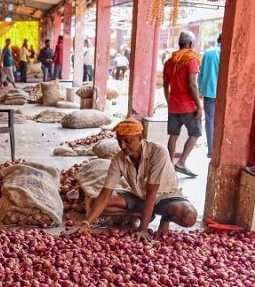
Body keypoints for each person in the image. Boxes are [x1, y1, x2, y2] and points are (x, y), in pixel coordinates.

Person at [67, 118, 197, 240]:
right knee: (96, 202)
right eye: (119, 141)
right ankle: (142, 215)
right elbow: (105, 194)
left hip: (166, 198)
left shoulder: (158, 152)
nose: (123, 146)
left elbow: (152, 193)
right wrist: (86, 223)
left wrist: (143, 229)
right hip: (139, 197)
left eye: (128, 141)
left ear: (140, 138)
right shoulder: (118, 159)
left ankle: (165, 218)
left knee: (189, 217)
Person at [163, 30, 202, 178]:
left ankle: (169, 166)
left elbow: (165, 86)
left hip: (174, 105)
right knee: (195, 133)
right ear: (191, 44)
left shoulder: (169, 61)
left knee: (173, 136)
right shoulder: (191, 60)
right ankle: (181, 163)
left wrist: (169, 101)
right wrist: (199, 105)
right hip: (188, 106)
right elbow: (192, 85)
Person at [198, 33, 221, 159]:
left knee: (210, 121)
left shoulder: (208, 53)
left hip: (209, 92)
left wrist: (200, 90)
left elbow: (200, 74)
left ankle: (211, 150)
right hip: (224, 95)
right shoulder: (230, 52)